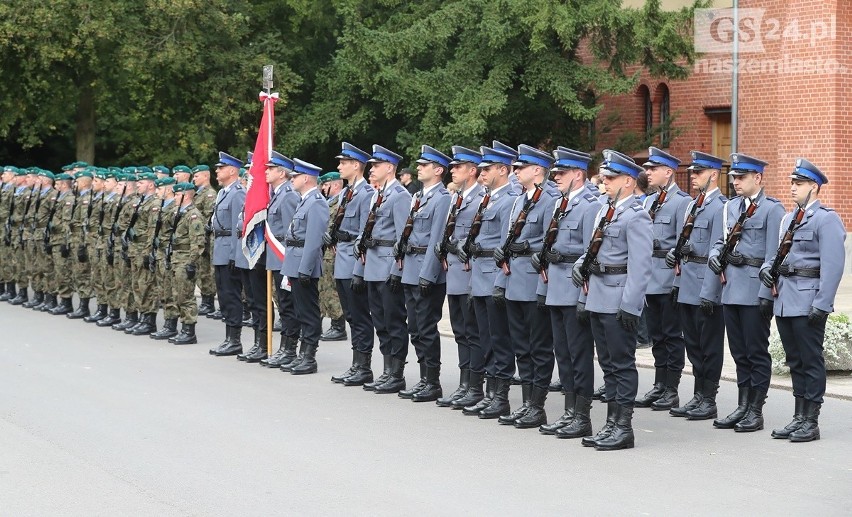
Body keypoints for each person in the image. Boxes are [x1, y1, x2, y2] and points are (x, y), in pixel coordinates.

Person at [573, 149, 652, 451]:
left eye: (611, 177)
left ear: (629, 182)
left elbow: (641, 265)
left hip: (619, 299)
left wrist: (630, 305)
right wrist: (580, 268)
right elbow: (591, 251)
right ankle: (610, 425)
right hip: (598, 297)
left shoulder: (637, 216)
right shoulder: (604, 211)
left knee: (621, 365)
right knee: (607, 366)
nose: (604, 181)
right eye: (604, 177)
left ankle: (623, 427)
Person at [760, 159, 845, 442]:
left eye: (799, 184)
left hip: (808, 301)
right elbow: (775, 255)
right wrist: (766, 270)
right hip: (785, 299)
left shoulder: (826, 219)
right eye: (792, 183)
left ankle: (811, 420)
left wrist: (822, 304)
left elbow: (833, 267)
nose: (793, 188)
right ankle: (798, 416)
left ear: (814, 187)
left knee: (810, 360)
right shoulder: (788, 218)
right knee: (795, 361)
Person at [708, 153, 785, 433]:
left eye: (741, 178)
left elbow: (773, 254)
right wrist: (716, 255)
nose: (736, 182)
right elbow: (720, 240)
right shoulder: (730, 208)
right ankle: (742, 405)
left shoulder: (772, 210)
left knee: (756, 351)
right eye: (734, 178)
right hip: (731, 289)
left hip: (754, 290)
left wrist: (766, 293)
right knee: (739, 352)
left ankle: (755, 409)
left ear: (758, 178)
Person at [535, 148, 602, 438]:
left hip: (575, 289)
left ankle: (582, 416)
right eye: (555, 174)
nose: (556, 178)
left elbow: (590, 253)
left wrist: (586, 297)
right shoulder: (560, 204)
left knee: (579, 354)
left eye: (561, 173)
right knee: (562, 353)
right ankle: (568, 411)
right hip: (555, 289)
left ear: (578, 174)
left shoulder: (589, 205)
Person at [494, 144, 560, 429]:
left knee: (539, 346)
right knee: (521, 346)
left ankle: (537, 405)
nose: (516, 172)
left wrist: (527, 246)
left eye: (521, 168)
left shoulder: (549, 201)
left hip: (535, 282)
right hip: (514, 282)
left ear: (537, 170)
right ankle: (526, 404)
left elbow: (549, 243)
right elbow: (508, 239)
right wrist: (501, 278)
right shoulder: (520, 200)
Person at [665, 151, 727, 420]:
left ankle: (709, 398)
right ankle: (698, 395)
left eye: (698, 172)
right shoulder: (693, 205)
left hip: (705, 284)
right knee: (693, 344)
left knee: (709, 345)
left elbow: (717, 252)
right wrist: (677, 279)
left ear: (713, 175)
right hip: (688, 282)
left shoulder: (720, 207)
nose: (692, 176)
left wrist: (710, 291)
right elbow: (682, 248)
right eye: (692, 172)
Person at [461, 145, 519, 418]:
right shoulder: (487, 199)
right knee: (485, 337)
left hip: (495, 274)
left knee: (499, 338)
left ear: (502, 170)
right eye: (481, 169)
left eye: (487, 169)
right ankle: (490, 392)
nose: (482, 174)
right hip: (478, 273)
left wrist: (499, 281)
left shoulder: (510, 200)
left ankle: (501, 396)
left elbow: (505, 245)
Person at [635, 147, 691, 411]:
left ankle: (671, 387)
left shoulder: (682, 202)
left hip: (668, 276)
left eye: (652, 169)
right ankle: (659, 384)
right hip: (649, 276)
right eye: (647, 169)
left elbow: (682, 241)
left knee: (671, 334)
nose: (648, 173)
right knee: (656, 334)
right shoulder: (647, 202)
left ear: (668, 172)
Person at [395, 145, 451, 402]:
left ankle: (432, 381)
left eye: (424, 165)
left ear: (438, 170)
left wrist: (428, 274)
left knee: (426, 327)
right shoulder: (418, 197)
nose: (418, 167)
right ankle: (423, 378)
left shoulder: (442, 199)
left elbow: (438, 238)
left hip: (426, 272)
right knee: (415, 328)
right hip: (410, 267)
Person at [359, 145, 412, 393]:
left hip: (388, 266)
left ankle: (397, 373)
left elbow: (404, 236)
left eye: (376, 165)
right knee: (380, 321)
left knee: (394, 321)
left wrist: (396, 270)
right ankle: (386, 369)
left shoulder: (400, 196)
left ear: (389, 168)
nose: (371, 170)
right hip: (373, 265)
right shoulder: (376, 195)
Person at [435, 146, 485, 409]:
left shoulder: (480, 199)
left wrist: (459, 244)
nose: (452, 170)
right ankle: (464, 383)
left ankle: (474, 386)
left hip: (468, 272)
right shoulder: (457, 197)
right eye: (452, 167)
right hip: (453, 272)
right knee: (460, 332)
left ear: (472, 171)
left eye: (458, 167)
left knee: (472, 332)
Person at [326, 142, 376, 386]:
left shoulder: (366, 194)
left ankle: (363, 366)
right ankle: (356, 364)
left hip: (355, 262)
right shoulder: (347, 193)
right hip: (342, 260)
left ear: (356, 166)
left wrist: (359, 269)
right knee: (351, 316)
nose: (339, 167)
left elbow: (365, 232)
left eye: (343, 163)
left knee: (360, 316)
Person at [280, 158, 329, 375]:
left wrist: (306, 268)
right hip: (294, 261)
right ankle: (302, 354)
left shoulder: (316, 201)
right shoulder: (304, 200)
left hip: (303, 264)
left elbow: (314, 239)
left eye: (295, 176)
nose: (292, 180)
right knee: (300, 310)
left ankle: (309, 357)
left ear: (306, 178)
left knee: (308, 312)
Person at [208, 152, 247, 356]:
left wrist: (234, 255)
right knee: (223, 295)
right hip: (220, 249)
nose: (217, 171)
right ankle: (228, 337)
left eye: (221, 168)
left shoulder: (238, 193)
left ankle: (234, 340)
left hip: (229, 251)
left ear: (232, 171)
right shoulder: (223, 192)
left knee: (231, 295)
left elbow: (236, 228)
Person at [167, 182, 207, 345]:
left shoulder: (193, 215)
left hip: (185, 260)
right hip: (177, 257)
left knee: (186, 295)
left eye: (177, 194)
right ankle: (184, 329)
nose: (174, 197)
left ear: (186, 195)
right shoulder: (180, 213)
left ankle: (189, 331)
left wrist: (192, 263)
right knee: (177, 294)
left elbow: (197, 242)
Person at [317, 171, 347, 341]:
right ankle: (322, 320)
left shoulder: (340, 203)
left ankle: (338, 325)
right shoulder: (328, 203)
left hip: (332, 250)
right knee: (322, 287)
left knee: (331, 288)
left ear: (335, 185)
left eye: (326, 185)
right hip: (323, 249)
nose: (323, 188)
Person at [191, 165, 219, 318]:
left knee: (208, 270)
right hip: (200, 236)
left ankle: (209, 301)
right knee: (202, 270)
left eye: (196, 176)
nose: (193, 179)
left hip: (206, 237)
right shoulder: (198, 193)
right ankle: (206, 299)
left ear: (205, 177)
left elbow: (209, 217)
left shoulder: (209, 194)